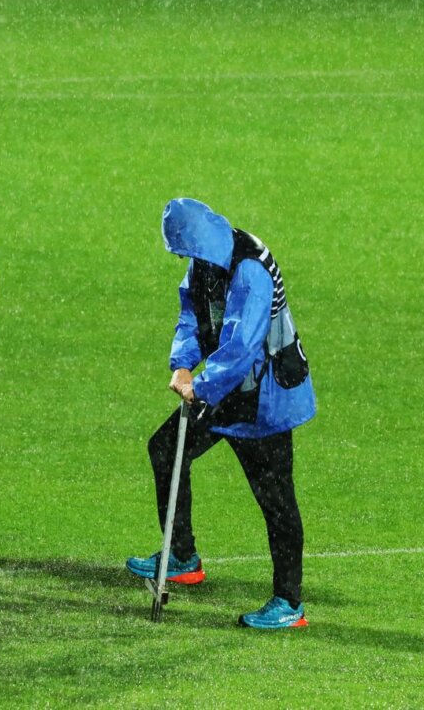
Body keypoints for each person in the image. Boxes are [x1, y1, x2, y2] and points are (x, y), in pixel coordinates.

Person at [127, 198, 316, 629]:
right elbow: (191, 315)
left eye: (182, 250)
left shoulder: (249, 271)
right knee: (166, 448)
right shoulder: (206, 261)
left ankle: (289, 603)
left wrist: (202, 387)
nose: (180, 259)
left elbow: (242, 345)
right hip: (226, 392)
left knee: (277, 502)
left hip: (264, 401)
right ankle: (181, 555)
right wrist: (181, 363)